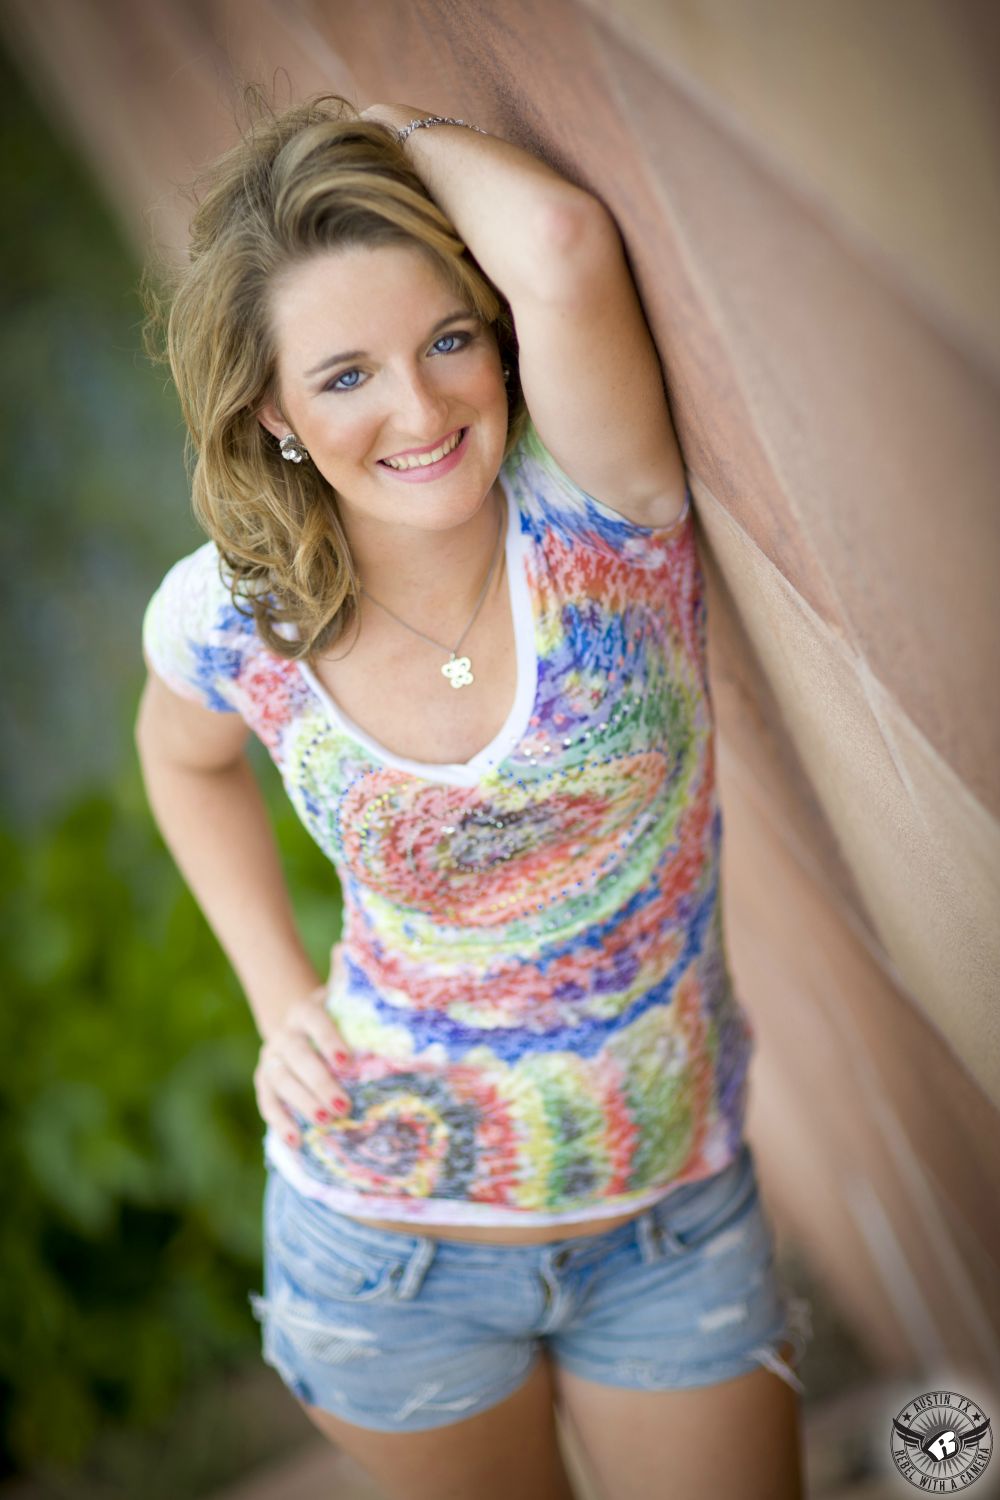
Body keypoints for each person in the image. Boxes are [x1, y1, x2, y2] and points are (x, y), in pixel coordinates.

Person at [136, 89, 812, 1500]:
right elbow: (184, 759)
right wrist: (278, 995)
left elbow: (561, 242)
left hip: (672, 1216)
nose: (420, 406)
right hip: (389, 1257)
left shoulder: (603, 513)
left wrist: (382, 130)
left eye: (449, 339)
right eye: (344, 377)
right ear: (270, 413)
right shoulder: (235, 620)